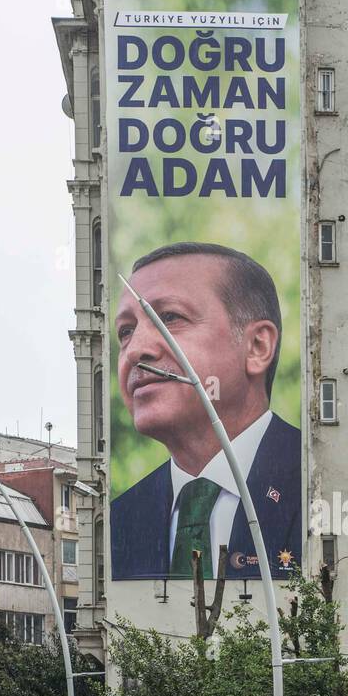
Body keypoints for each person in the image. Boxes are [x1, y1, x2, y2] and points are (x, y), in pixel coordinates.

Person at [110, 242, 301, 582]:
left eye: (169, 318)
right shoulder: (119, 519)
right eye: (126, 331)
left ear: (257, 346)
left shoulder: (318, 483)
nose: (135, 350)